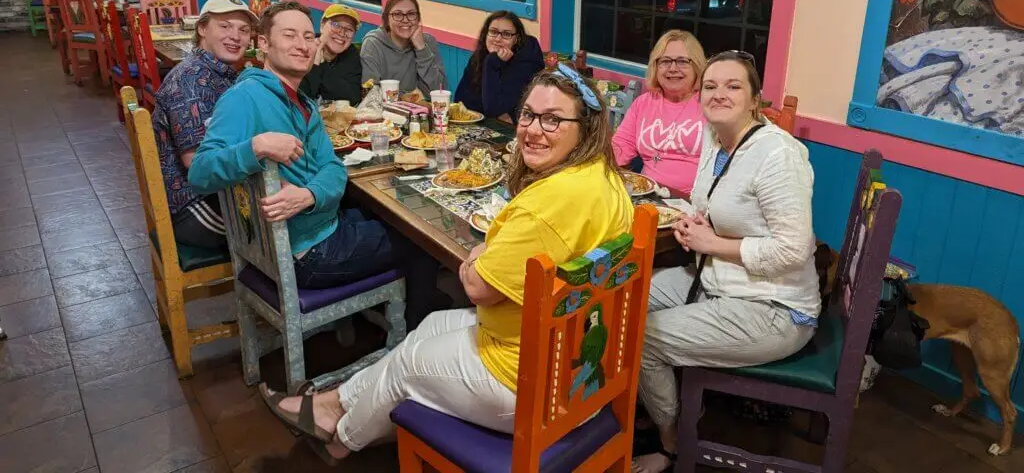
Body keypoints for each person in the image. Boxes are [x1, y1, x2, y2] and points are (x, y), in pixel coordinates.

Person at [259, 67, 634, 462]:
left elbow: (477, 287)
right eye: (528, 114)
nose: (532, 130)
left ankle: (340, 439)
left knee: (408, 365)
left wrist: (477, 257)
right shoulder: (604, 180)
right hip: (585, 366)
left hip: (539, 390)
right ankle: (334, 401)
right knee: (432, 325)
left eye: (553, 119)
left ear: (586, 127)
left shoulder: (548, 207)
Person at [188, 1, 440, 324]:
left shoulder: (303, 103)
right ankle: (414, 339)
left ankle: (389, 311)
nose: (302, 45)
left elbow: (334, 169)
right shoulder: (245, 97)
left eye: (308, 37)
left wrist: (308, 196)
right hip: (308, 253)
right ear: (263, 44)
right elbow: (200, 172)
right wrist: (257, 146)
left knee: (392, 218)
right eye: (290, 35)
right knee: (423, 239)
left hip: (319, 229)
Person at [631, 51, 821, 473]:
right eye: (711, 86)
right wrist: (697, 226)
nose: (719, 94)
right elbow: (720, 210)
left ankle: (671, 442)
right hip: (719, 280)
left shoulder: (778, 155)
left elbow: (793, 249)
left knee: (642, 336)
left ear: (755, 99)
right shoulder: (716, 139)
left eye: (733, 86)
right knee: (625, 296)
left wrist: (711, 243)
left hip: (776, 309)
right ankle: (654, 400)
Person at [152, 0, 257, 249]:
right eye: (225, 26)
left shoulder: (220, 73)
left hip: (219, 193)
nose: (235, 36)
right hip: (193, 207)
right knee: (288, 226)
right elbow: (197, 162)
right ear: (202, 28)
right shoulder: (191, 81)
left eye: (243, 30)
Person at [612, 30, 708, 197]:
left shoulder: (709, 104)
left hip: (695, 201)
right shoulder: (643, 103)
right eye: (665, 61)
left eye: (682, 61)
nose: (673, 68)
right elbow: (620, 147)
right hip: (646, 194)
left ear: (697, 65)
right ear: (655, 66)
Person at [454, 10, 544, 122]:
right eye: (493, 32)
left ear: (517, 39)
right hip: (479, 127)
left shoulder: (526, 63)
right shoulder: (479, 56)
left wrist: (491, 63)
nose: (497, 39)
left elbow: (493, 109)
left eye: (506, 34)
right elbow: (461, 101)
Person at [360, 0, 446, 97]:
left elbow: (440, 92)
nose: (405, 20)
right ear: (387, 19)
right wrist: (406, 99)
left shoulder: (428, 42)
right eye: (397, 14)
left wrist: (421, 49)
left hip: (421, 111)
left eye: (411, 14)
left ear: (418, 18)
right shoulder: (373, 44)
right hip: (384, 111)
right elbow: (371, 93)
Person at [300, 3, 362, 104]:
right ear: (322, 26)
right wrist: (315, 64)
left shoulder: (350, 53)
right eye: (336, 25)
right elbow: (302, 97)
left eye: (349, 29)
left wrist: (322, 64)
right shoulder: (303, 49)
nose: (342, 33)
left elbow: (353, 98)